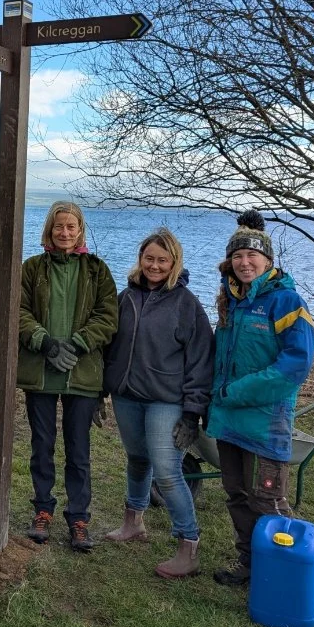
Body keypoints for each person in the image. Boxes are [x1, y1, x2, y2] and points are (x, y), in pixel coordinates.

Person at [206, 210, 314, 587]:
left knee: (267, 500)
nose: (244, 261)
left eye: (252, 255)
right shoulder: (231, 303)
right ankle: (250, 563)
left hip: (265, 423)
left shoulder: (286, 302)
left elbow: (294, 366)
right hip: (228, 420)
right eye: (237, 256)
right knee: (236, 495)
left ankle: (283, 572)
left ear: (268, 261)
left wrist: (235, 392)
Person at [103, 228, 214, 579]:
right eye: (149, 258)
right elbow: (109, 347)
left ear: (174, 263)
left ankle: (188, 545)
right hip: (126, 395)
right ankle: (133, 522)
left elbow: (201, 362)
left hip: (167, 401)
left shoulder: (186, 304)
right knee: (137, 460)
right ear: (140, 259)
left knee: (167, 473)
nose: (154, 265)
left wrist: (192, 413)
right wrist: (99, 391)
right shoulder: (126, 298)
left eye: (162, 260)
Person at [18, 201, 118, 552]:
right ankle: (42, 510)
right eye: (59, 226)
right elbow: (19, 310)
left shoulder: (97, 270)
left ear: (80, 230)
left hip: (82, 373)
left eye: (71, 227)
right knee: (41, 446)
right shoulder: (31, 268)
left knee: (79, 450)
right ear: (49, 229)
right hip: (41, 372)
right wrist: (44, 342)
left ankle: (78, 517)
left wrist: (77, 344)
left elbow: (108, 315)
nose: (64, 233)